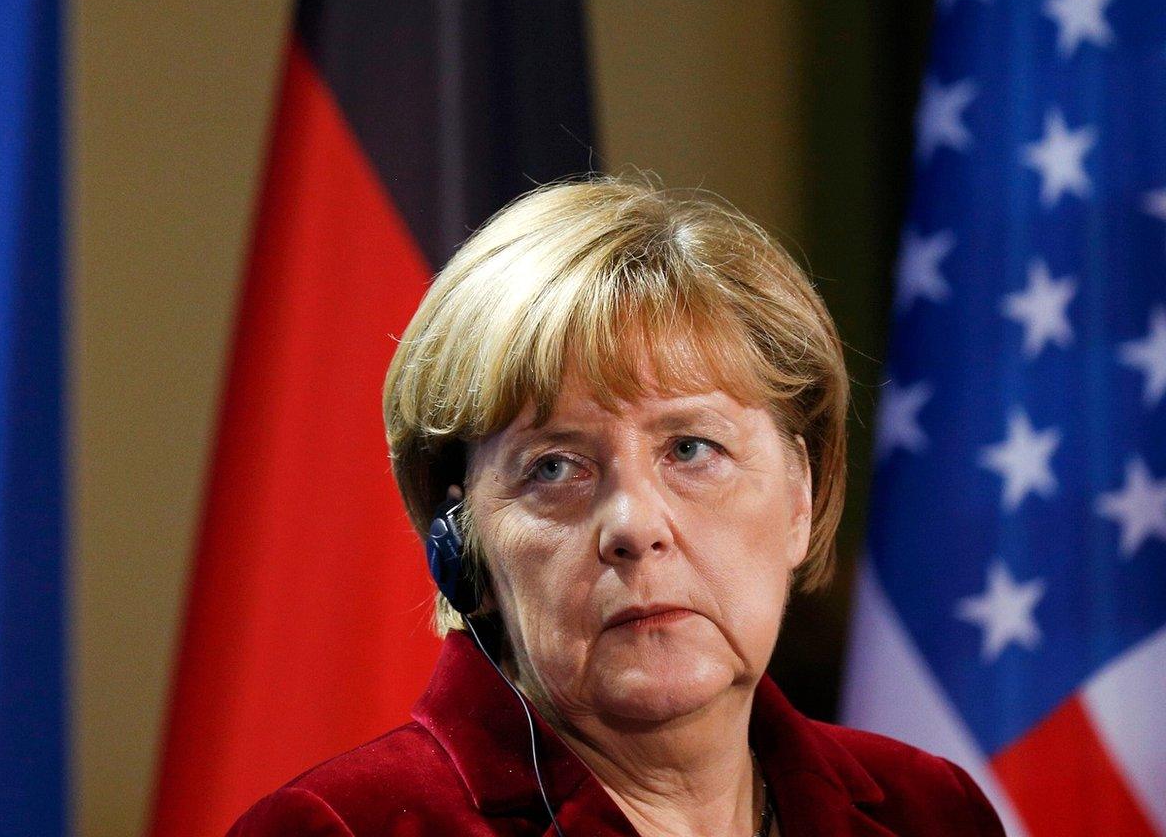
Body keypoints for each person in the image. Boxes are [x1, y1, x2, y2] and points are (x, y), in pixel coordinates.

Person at [231, 179, 1006, 836]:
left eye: (692, 449)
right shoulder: (340, 827)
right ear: (463, 544)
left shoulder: (928, 811)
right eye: (556, 467)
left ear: (800, 495)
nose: (634, 525)